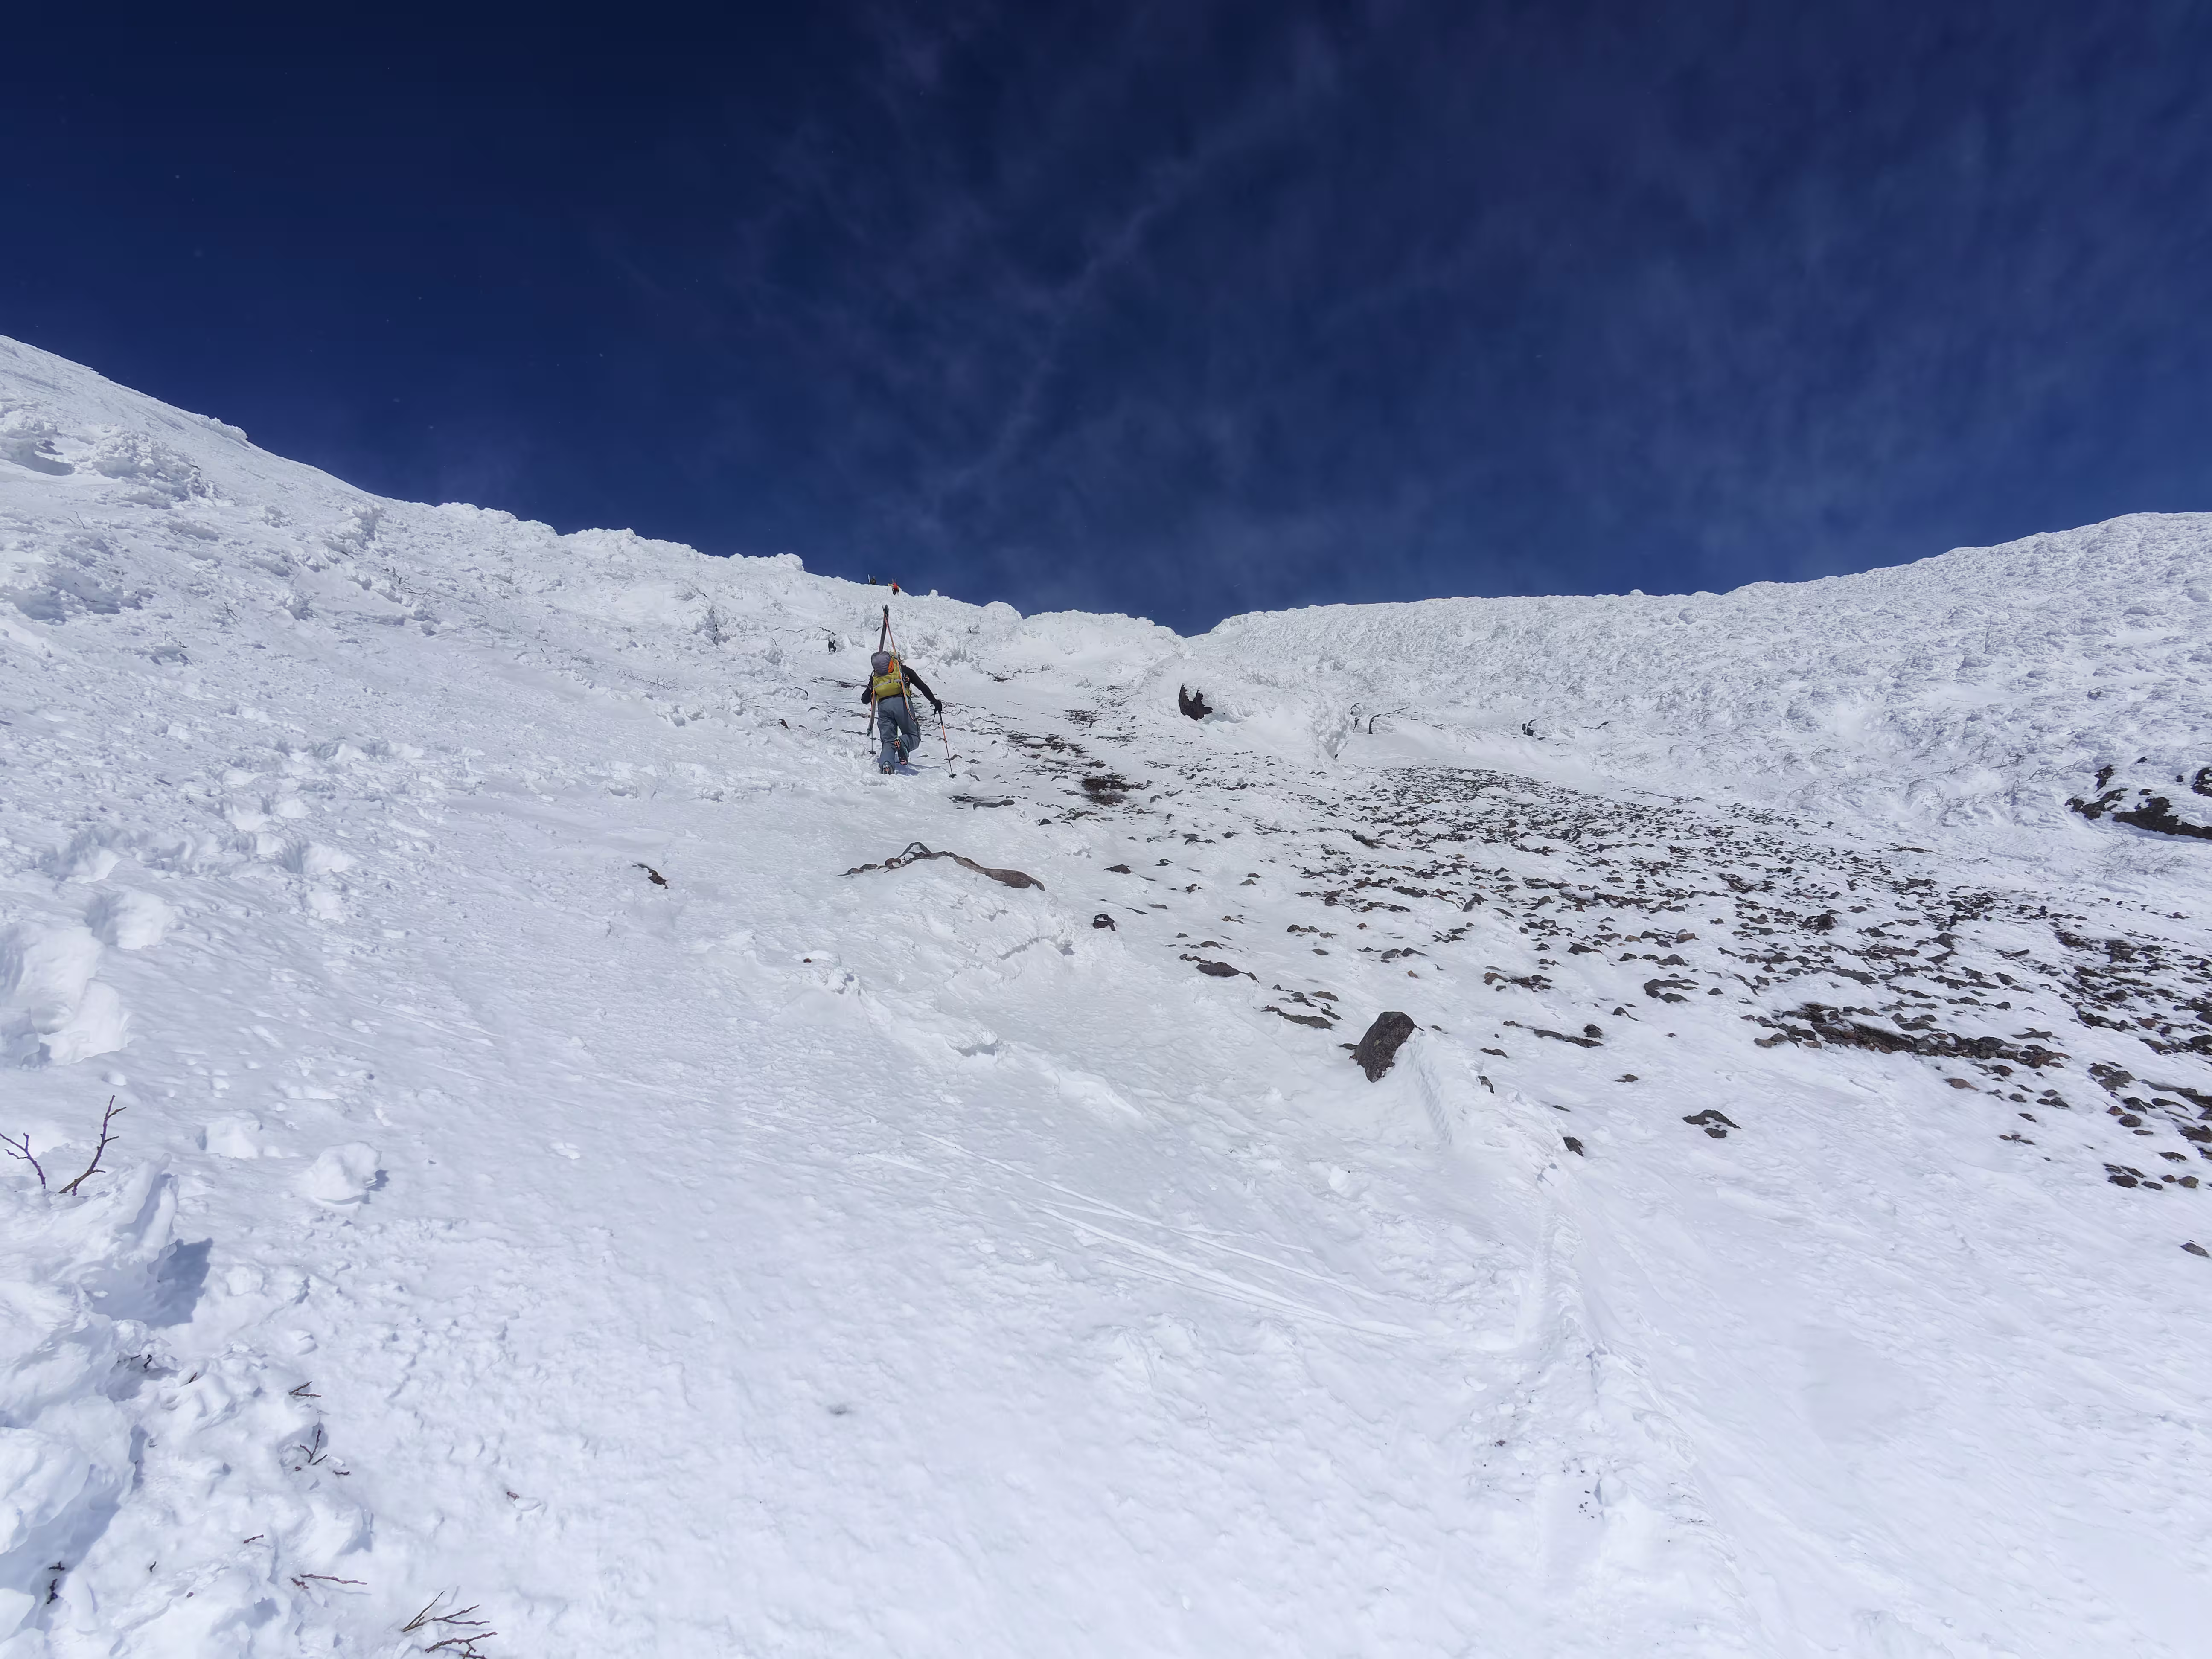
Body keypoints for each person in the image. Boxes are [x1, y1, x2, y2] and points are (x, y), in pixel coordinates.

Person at [863, 648, 941, 773]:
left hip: (883, 708)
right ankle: (903, 742)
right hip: (902, 704)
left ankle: (887, 764)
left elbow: (864, 699)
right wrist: (935, 702)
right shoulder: (903, 671)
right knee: (914, 737)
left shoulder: (876, 677)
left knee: (888, 741)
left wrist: (870, 686)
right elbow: (922, 687)